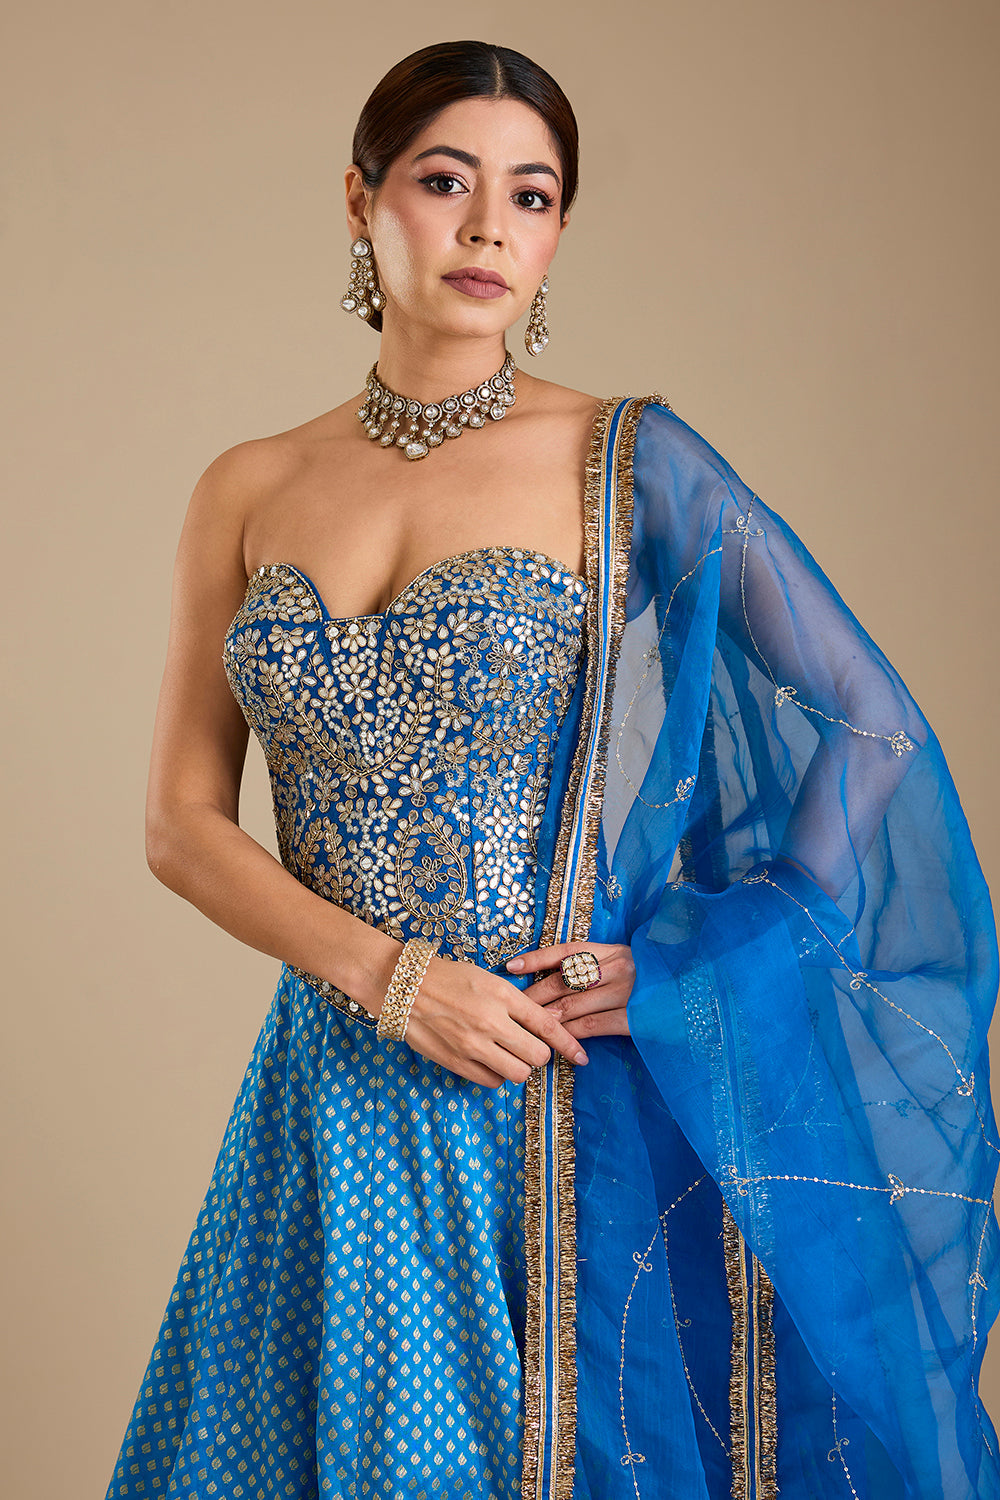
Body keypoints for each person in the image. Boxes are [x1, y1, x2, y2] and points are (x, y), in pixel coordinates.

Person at [104, 39, 1000, 1500]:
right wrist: (392, 978)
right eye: (443, 180)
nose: (486, 228)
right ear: (360, 199)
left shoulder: (627, 459)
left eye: (530, 196)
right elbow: (180, 825)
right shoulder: (248, 487)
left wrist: (696, 966)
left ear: (558, 231)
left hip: (550, 1085)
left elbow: (868, 727)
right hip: (331, 1080)